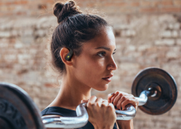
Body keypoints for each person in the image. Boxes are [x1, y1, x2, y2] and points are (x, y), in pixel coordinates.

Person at [41, 1, 139, 129]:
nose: (113, 65)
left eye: (112, 53)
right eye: (101, 54)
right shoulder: (49, 124)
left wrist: (125, 123)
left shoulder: (103, 115)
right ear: (67, 56)